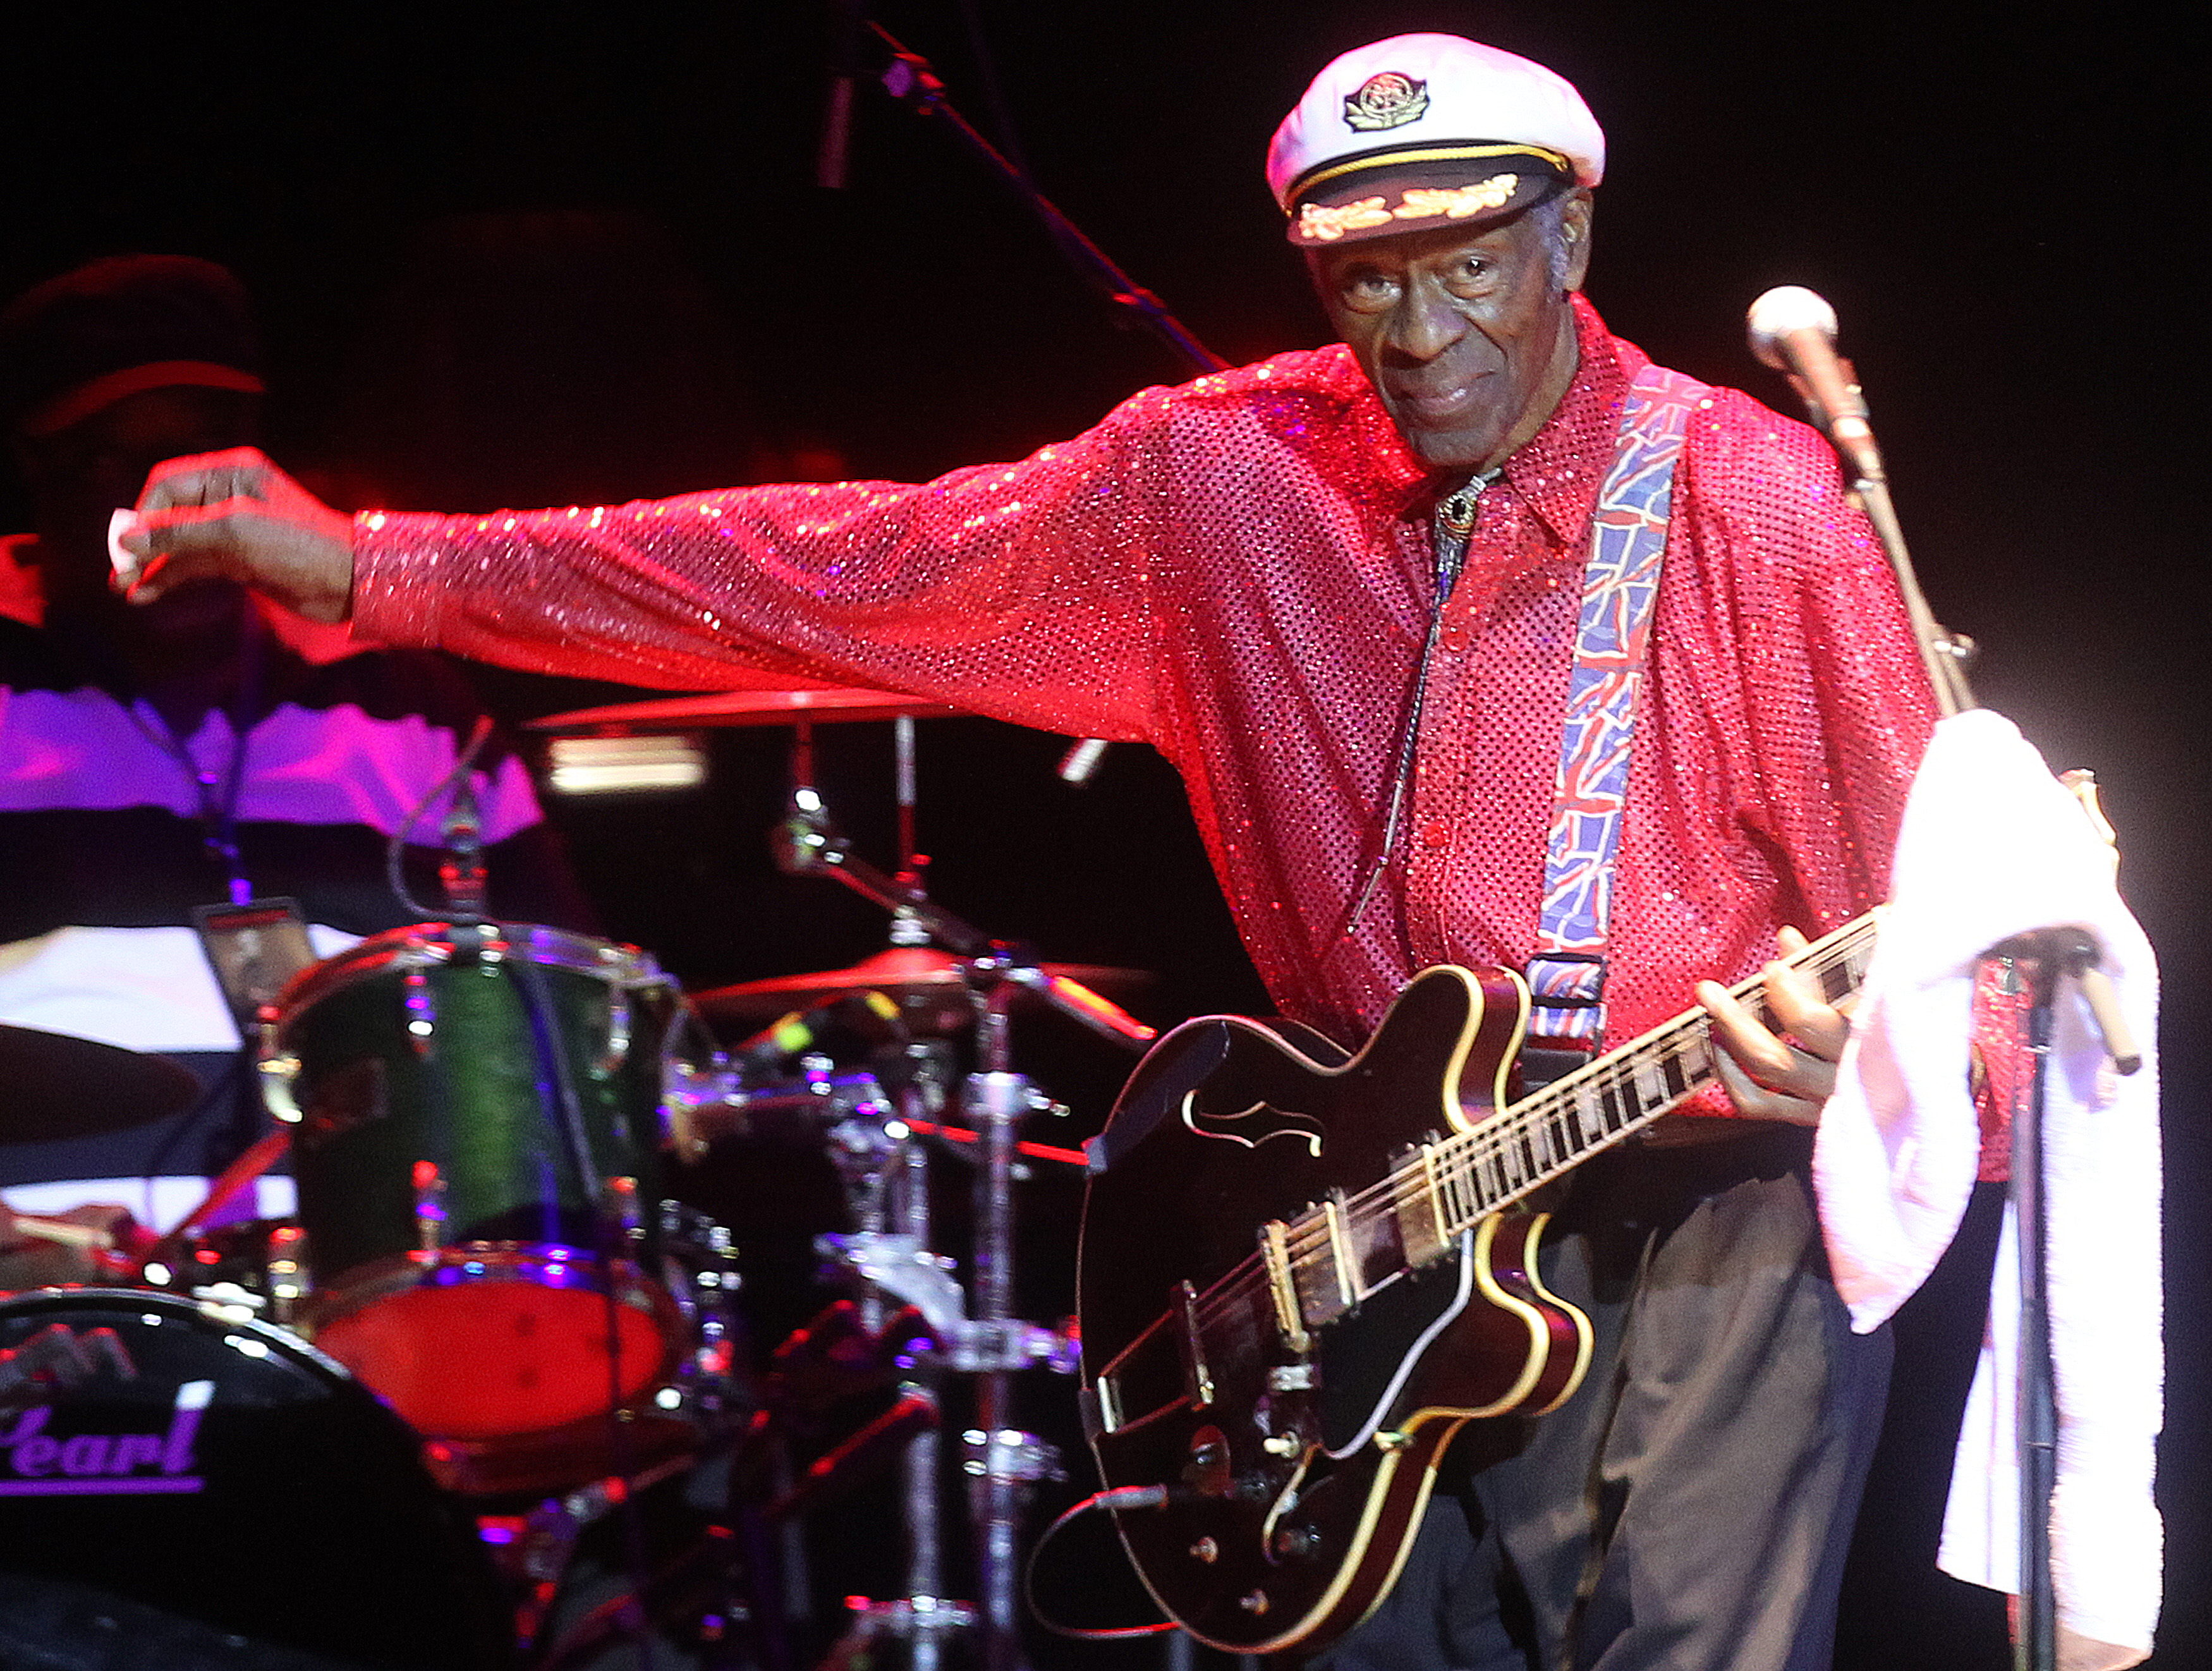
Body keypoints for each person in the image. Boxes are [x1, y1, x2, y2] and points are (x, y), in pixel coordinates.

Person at [121, 35, 1938, 1671]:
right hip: (1355, 1244)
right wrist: (377, 568)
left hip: (1702, 1206)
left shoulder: (1746, 498)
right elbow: (829, 566)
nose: (1417, 330)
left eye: (1466, 262)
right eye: (1365, 276)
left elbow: (1956, 962)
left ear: (1568, 242)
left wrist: (1877, 1067)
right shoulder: (1219, 483)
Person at [0, 253, 593, 1279]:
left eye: (203, 465)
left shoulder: (413, 708)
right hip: (44, 1317)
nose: (170, 511)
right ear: (34, 477)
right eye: (115, 466)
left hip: (374, 1295)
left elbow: (564, 1019)